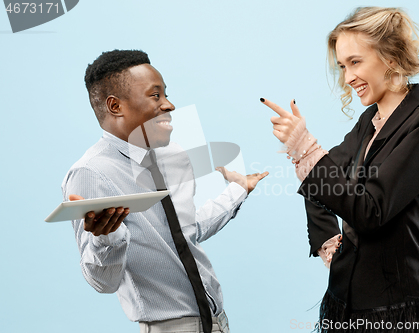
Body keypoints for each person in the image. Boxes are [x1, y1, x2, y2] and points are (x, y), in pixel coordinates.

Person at [261, 7, 419, 333]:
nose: (347, 78)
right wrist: (330, 244)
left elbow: (372, 209)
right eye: (342, 66)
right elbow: (319, 180)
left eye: (355, 62)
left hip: (402, 308)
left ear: (389, 56)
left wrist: (306, 148)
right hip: (349, 304)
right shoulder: (366, 124)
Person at [62, 49, 268, 333]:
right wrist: (106, 238)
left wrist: (237, 190)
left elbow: (185, 230)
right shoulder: (91, 173)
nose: (169, 105)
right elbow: (102, 281)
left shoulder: (173, 155)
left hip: (218, 322)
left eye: (165, 94)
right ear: (115, 106)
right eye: (155, 95)